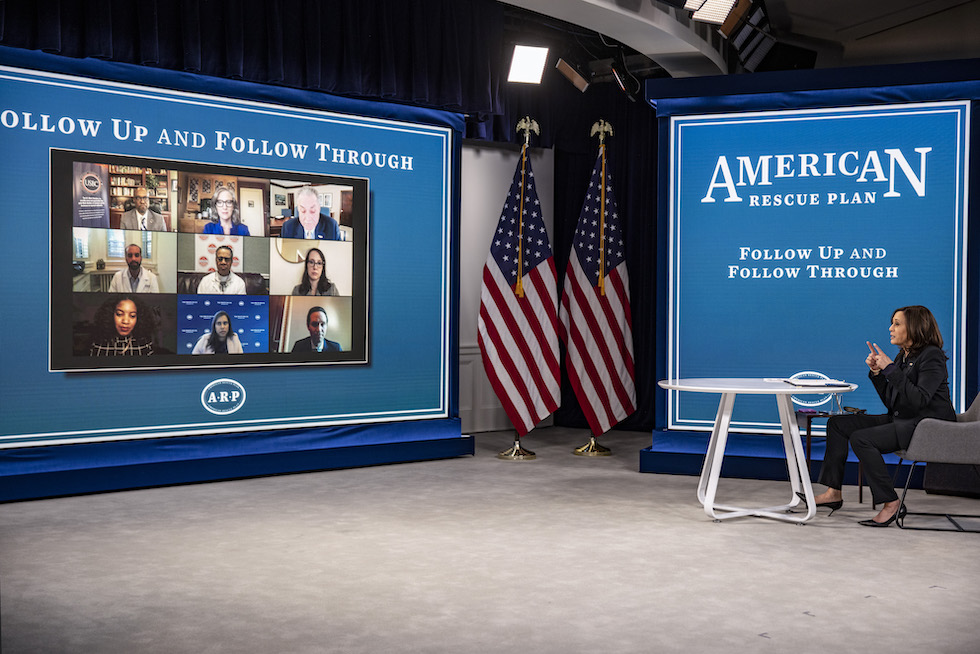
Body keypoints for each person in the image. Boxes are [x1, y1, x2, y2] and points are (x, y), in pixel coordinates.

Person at [807, 305, 956, 527]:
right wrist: (878, 373)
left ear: (915, 327)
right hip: (905, 420)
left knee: (861, 439)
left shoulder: (931, 356)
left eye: (897, 324)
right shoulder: (903, 356)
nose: (890, 328)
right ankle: (833, 493)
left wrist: (891, 370)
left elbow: (920, 399)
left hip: (928, 427)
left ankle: (891, 503)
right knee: (838, 424)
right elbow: (892, 402)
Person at [89, 294, 156, 356]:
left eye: (132, 316)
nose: (125, 321)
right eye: (119, 314)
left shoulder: (145, 344)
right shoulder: (98, 343)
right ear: (110, 314)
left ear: (139, 318)